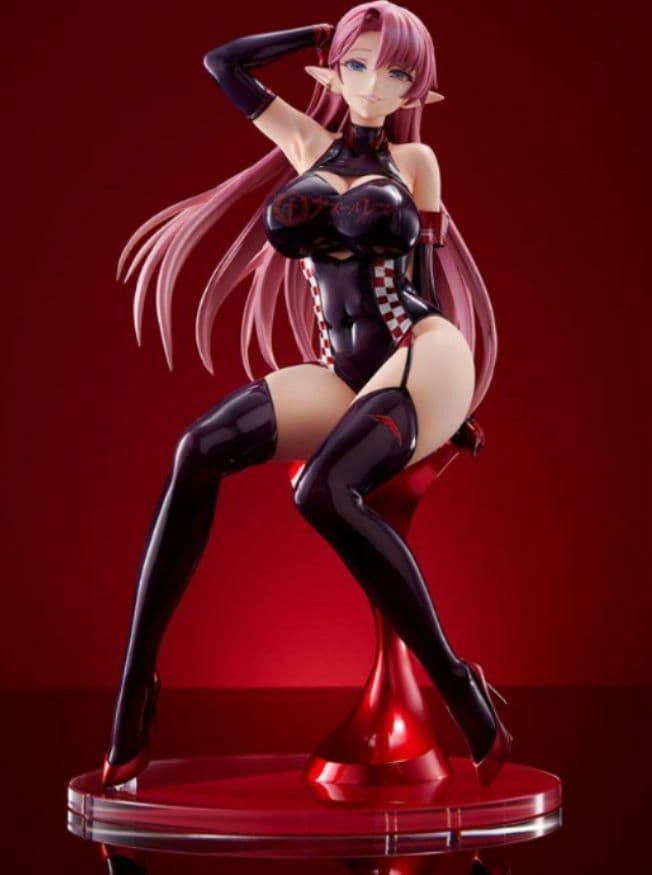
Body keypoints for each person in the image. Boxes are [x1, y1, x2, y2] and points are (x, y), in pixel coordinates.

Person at [102, 1, 510, 790]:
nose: (374, 86)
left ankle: (460, 685)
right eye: (358, 65)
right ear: (333, 71)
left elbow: (427, 283)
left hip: (422, 350)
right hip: (342, 369)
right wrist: (316, 34)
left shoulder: (417, 162)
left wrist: (448, 410)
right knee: (198, 448)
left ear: (416, 88)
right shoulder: (304, 142)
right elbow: (223, 64)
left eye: (396, 73)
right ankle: (135, 692)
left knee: (322, 490)